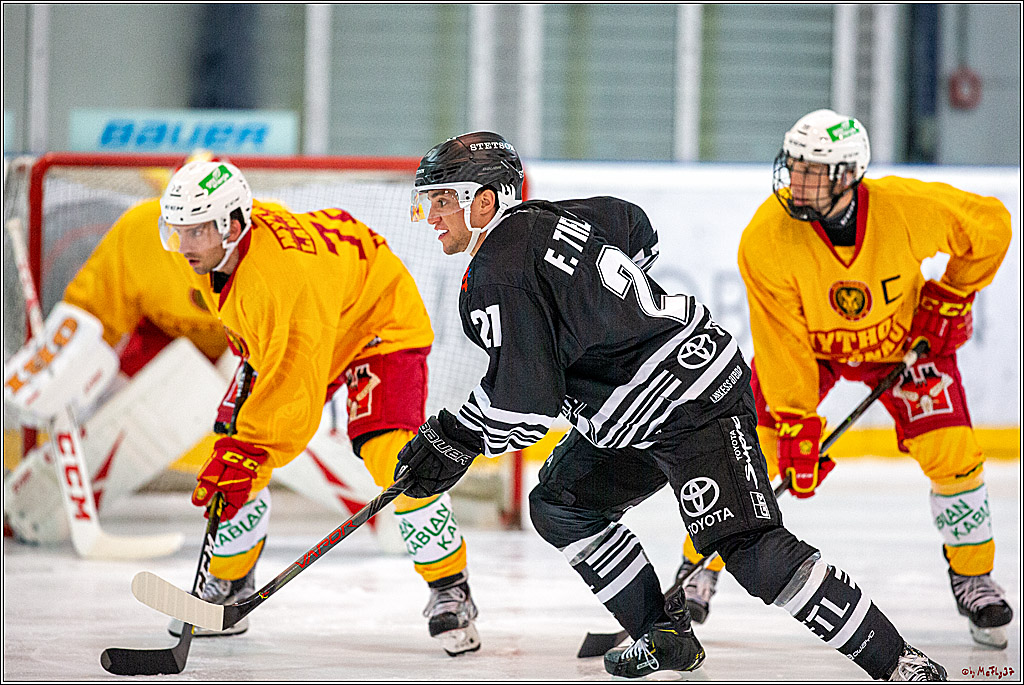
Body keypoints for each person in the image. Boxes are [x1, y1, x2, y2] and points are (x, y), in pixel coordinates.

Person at [394, 130, 947, 680]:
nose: (433, 216)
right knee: (560, 504)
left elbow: (528, 403)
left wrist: (453, 438)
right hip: (638, 411)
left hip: (691, 404)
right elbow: (634, 224)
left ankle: (896, 661)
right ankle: (664, 633)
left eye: (443, 200)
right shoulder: (568, 215)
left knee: (750, 548)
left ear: (485, 200)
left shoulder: (496, 269)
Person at [674, 108, 1014, 652]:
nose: (797, 181)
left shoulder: (905, 207)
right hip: (814, 349)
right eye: (794, 166)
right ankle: (699, 566)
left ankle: (973, 576)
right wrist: (792, 424)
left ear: (849, 175)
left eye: (813, 171)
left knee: (953, 450)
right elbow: (780, 339)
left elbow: (992, 226)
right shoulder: (766, 239)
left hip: (904, 345)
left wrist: (952, 293)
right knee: (745, 446)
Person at [157, 159, 481, 655]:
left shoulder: (277, 282)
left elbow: (295, 390)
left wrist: (252, 448)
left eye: (198, 231)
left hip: (378, 324)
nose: (185, 244)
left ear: (234, 225)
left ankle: (450, 590)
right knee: (234, 447)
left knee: (396, 460)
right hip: (323, 311)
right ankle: (230, 584)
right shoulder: (223, 252)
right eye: (179, 230)